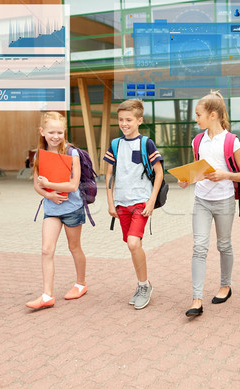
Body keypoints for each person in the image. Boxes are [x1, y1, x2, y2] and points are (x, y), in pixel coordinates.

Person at [178, 91, 240, 317]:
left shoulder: (232, 142)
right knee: (199, 247)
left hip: (224, 201)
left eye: (198, 115)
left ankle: (225, 285)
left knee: (224, 245)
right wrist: (186, 179)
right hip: (201, 200)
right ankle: (196, 299)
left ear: (212, 115)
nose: (196, 119)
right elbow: (198, 170)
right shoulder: (197, 140)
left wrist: (224, 174)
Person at [104, 99, 164, 310]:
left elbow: (159, 172)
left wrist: (151, 200)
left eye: (128, 119)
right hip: (121, 204)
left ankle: (143, 286)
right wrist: (111, 202)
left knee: (133, 243)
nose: (124, 123)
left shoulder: (146, 143)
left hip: (140, 201)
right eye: (121, 119)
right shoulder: (115, 144)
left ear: (139, 120)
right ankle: (143, 283)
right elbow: (109, 174)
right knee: (131, 246)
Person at [26, 112, 87, 309]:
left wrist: (50, 184)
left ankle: (81, 283)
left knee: (74, 247)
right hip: (52, 208)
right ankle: (47, 295)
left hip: (72, 208)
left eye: (60, 132)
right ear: (42, 132)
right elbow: (37, 185)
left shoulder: (72, 153)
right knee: (46, 250)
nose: (55, 136)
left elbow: (73, 185)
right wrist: (50, 195)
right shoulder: (39, 155)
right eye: (51, 132)